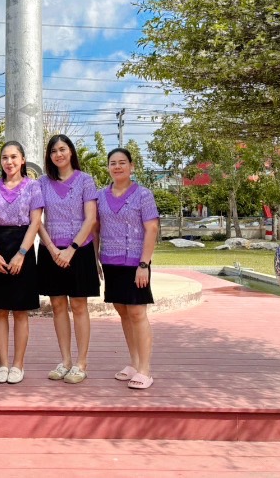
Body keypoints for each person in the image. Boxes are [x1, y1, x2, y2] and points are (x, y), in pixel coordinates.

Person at [96, 147, 160, 390]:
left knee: (137, 313)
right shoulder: (100, 196)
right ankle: (134, 363)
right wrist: (95, 259)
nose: (117, 167)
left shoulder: (143, 195)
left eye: (122, 162)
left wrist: (144, 264)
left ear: (132, 166)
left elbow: (151, 229)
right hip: (111, 262)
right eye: (113, 163)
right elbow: (96, 228)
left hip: (135, 262)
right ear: (108, 167)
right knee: (122, 311)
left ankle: (145, 369)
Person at [37, 134, 99, 384]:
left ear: (71, 151)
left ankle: (81, 363)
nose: (58, 154)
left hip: (79, 250)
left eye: (62, 149)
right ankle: (65, 361)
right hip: (51, 251)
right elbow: (36, 220)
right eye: (53, 151)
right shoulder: (42, 182)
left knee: (79, 305)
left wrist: (71, 249)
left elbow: (91, 219)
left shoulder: (85, 180)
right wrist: (53, 249)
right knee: (58, 306)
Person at [0, 141, 43, 384]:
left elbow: (35, 222)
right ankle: (3, 364)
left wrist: (21, 253)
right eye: (5, 157)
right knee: (0, 310)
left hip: (24, 247)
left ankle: (18, 364)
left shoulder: (33, 187)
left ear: (22, 160)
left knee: (20, 311)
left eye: (13, 157)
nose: (9, 162)